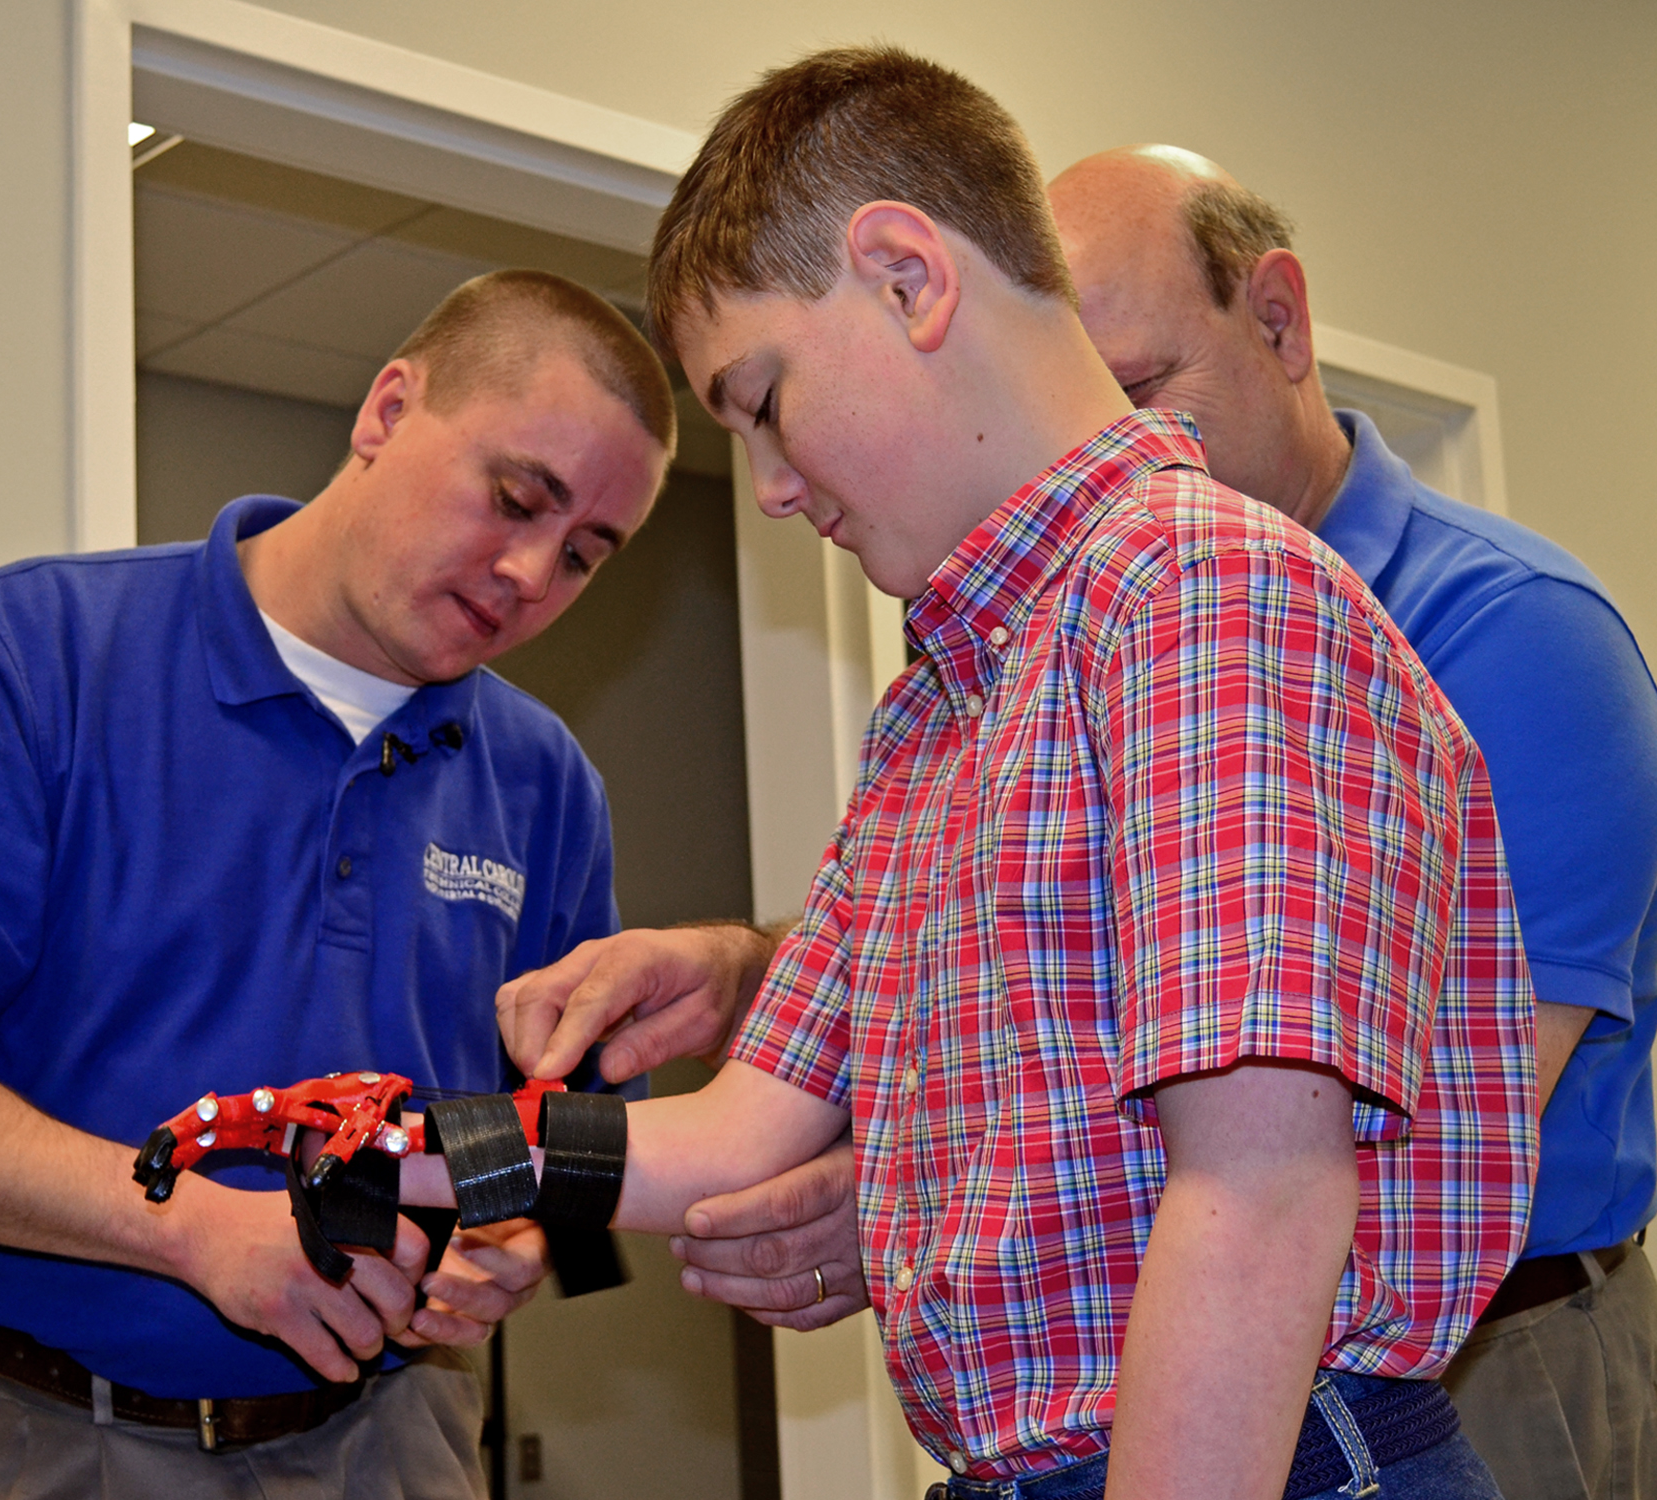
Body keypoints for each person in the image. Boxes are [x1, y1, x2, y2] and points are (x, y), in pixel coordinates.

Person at [483, 47, 1537, 1498]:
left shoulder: (1198, 591)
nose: (774, 488)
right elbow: (736, 1128)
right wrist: (418, 1152)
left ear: (909, 275)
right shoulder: (939, 712)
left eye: (764, 402)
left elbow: (1261, 1200)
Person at [0, 269, 674, 1499]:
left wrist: (514, 1237)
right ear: (389, 411)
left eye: (583, 555)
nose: (530, 573)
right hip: (39, 1437)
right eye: (516, 498)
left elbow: (562, 1137)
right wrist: (190, 1229)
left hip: (392, 1446)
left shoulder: (543, 781)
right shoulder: (31, 659)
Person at [1040, 145, 1657, 1500]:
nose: (1122, 463)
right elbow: (1061, 969)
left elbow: (1441, 1134)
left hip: (1491, 1353)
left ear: (1277, 320)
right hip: (1224, 1330)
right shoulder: (1136, 646)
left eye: (1146, 390)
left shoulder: (1519, 638)